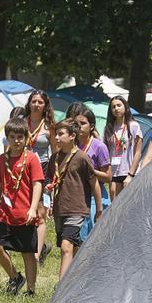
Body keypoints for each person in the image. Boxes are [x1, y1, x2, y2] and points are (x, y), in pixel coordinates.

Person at [0, 117, 44, 296]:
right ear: (7, 138)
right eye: (13, 137)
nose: (17, 141)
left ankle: (31, 289)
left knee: (28, 253)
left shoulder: (32, 159)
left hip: (25, 213)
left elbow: (37, 184)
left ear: (26, 138)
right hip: (4, 213)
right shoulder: (0, 160)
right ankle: (15, 277)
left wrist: (33, 208)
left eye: (20, 137)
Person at [47, 119, 102, 279]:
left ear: (72, 136)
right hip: (60, 209)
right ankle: (81, 278)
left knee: (66, 247)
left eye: (60, 134)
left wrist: (98, 210)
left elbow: (95, 185)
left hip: (77, 209)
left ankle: (61, 288)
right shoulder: (54, 158)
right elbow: (50, 180)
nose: (56, 137)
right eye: (56, 134)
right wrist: (48, 190)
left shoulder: (81, 157)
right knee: (74, 246)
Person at [24, 90, 56, 267]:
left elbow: (55, 153)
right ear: (29, 103)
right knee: (26, 211)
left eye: (40, 102)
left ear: (45, 105)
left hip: (43, 171)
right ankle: (41, 247)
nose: (36, 105)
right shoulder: (22, 122)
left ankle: (36, 256)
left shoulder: (49, 125)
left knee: (41, 214)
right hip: (24, 170)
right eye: (33, 101)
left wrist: (53, 177)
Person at [70, 106, 111, 242]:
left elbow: (108, 177)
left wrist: (91, 171)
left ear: (91, 126)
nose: (79, 127)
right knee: (79, 239)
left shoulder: (99, 146)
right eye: (76, 124)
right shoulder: (71, 145)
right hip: (77, 196)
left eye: (83, 123)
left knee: (94, 237)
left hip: (95, 196)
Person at [103, 96, 142, 200]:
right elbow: (106, 152)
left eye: (119, 105)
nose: (116, 109)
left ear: (125, 107)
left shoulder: (134, 126)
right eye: (113, 107)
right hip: (114, 172)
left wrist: (130, 175)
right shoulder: (108, 128)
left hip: (129, 172)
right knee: (115, 205)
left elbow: (138, 153)